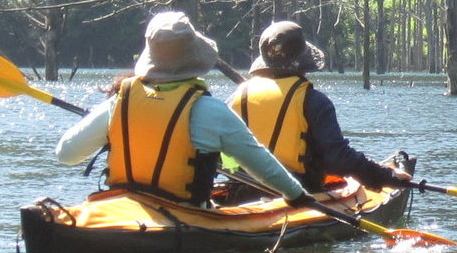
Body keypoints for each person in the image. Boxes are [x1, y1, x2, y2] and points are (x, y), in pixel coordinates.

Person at [54, 10, 308, 205]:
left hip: (123, 205)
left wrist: (111, 132)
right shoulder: (211, 110)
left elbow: (65, 155)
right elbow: (262, 166)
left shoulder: (118, 102)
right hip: (185, 212)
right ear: (194, 58)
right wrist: (298, 196)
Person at [225, 20, 413, 196]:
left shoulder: (236, 98)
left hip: (241, 189)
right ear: (302, 64)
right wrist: (385, 176)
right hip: (298, 192)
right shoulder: (313, 101)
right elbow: (338, 160)